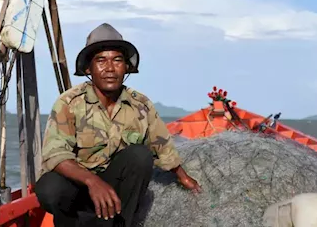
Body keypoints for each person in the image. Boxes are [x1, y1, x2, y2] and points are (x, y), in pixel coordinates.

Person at [35, 23, 201, 227]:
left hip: (116, 191)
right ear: (89, 68)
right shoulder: (69, 103)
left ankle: (121, 224)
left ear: (127, 67)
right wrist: (92, 182)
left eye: (117, 60)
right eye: (101, 61)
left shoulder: (140, 104)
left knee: (140, 155)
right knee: (49, 188)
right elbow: (56, 154)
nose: (110, 69)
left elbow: (162, 146)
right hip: (79, 187)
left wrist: (183, 178)